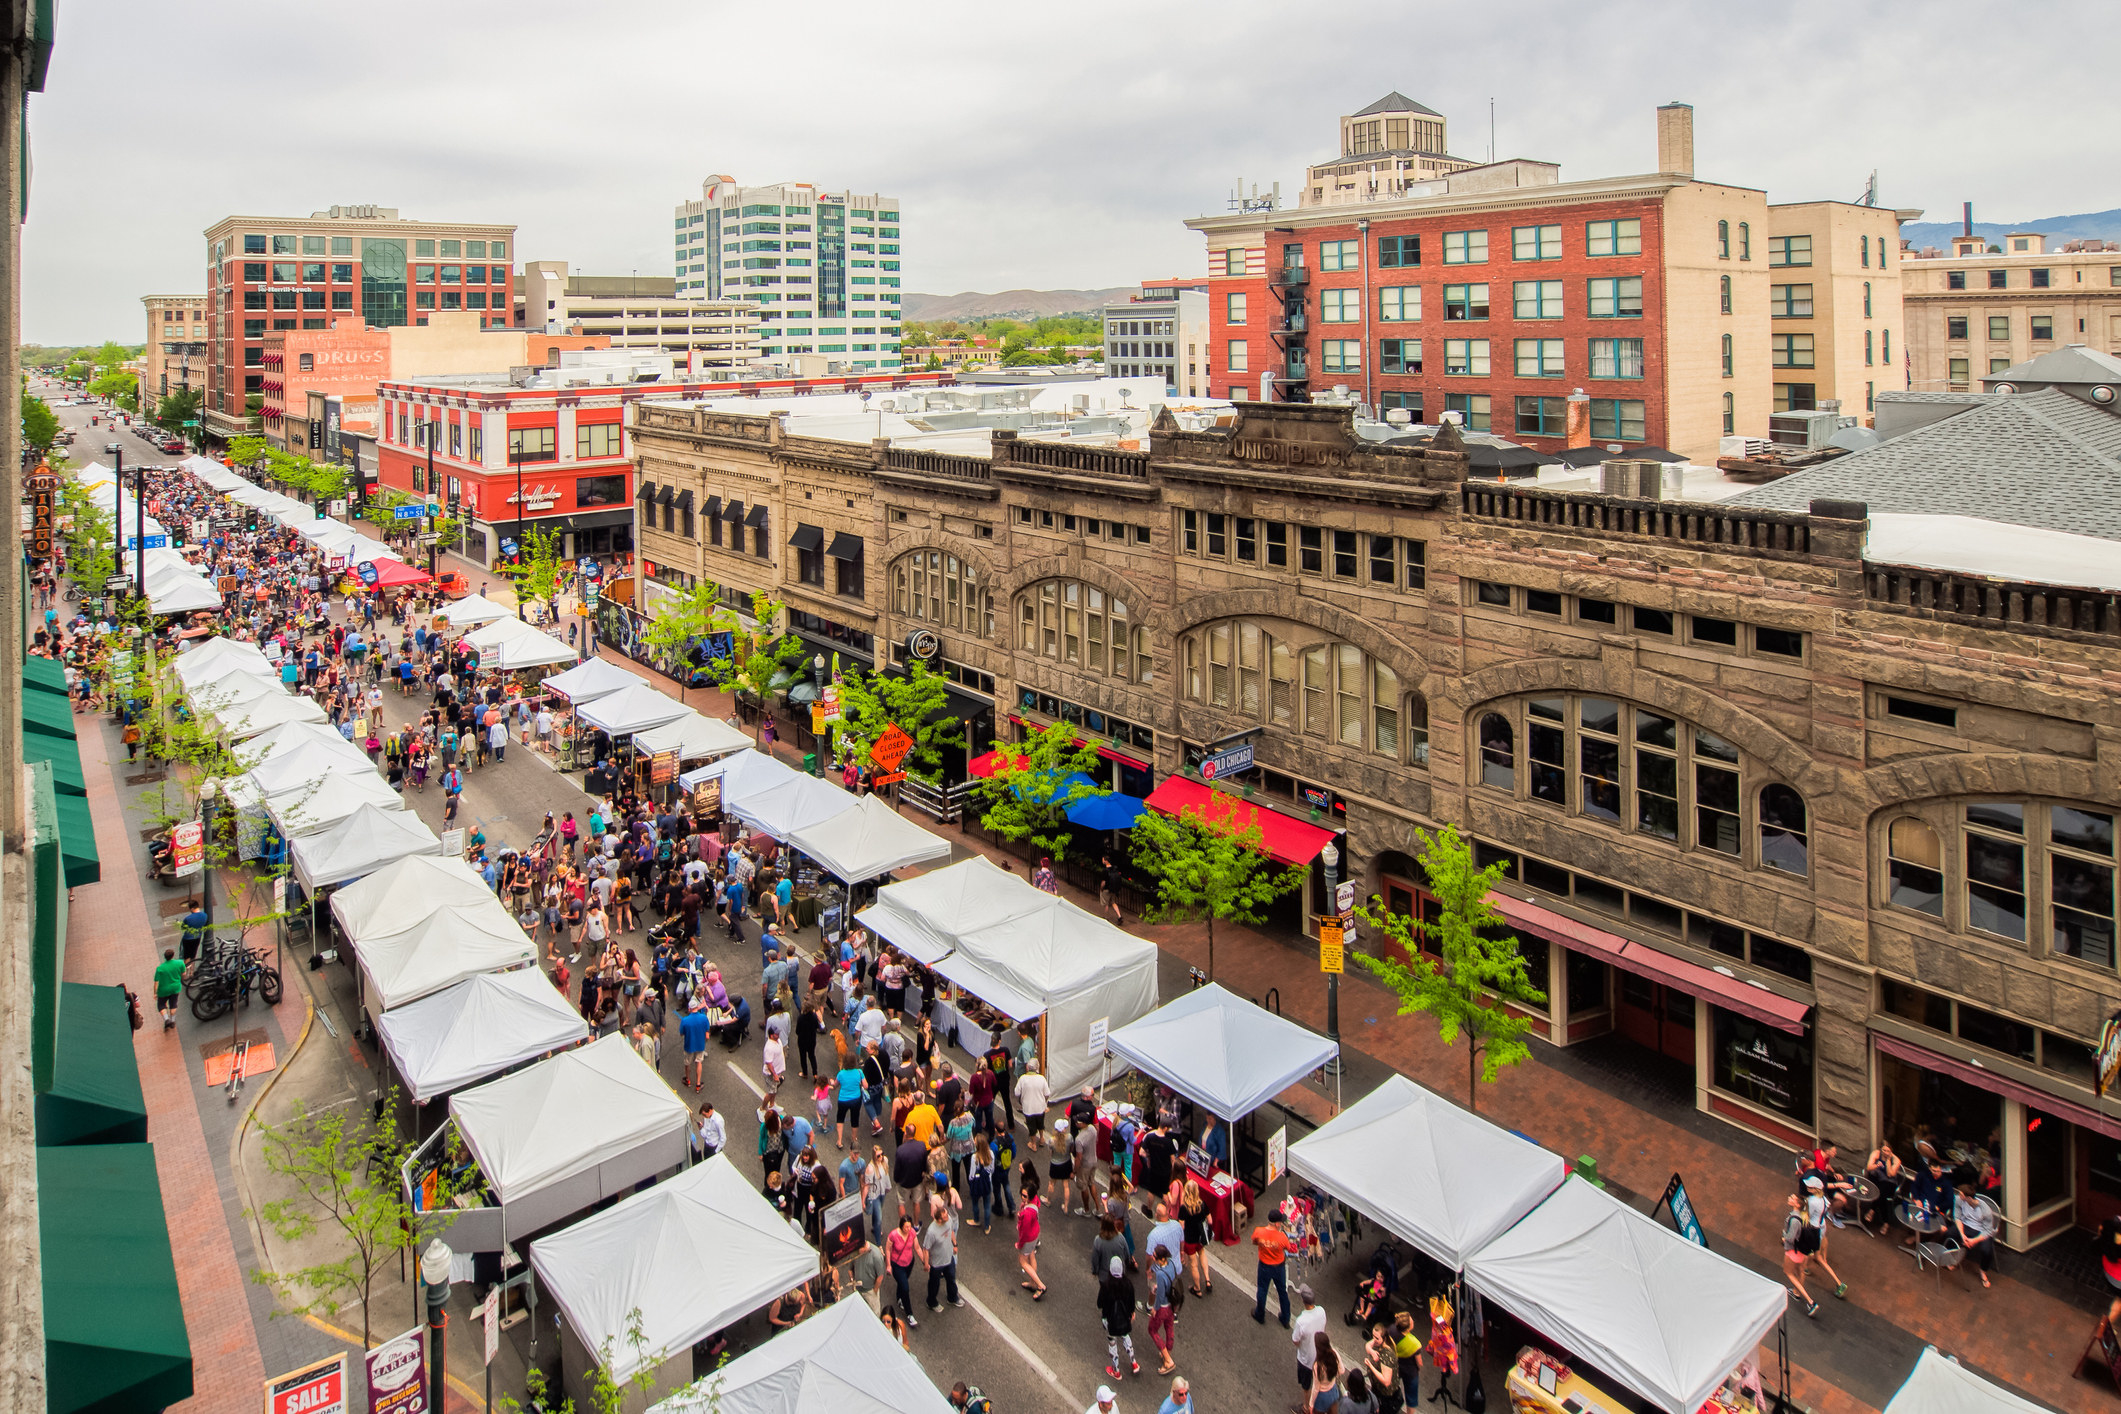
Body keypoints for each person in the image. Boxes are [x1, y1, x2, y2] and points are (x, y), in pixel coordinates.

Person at [1100, 1252, 1141, 1380]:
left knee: (1112, 1342)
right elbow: (1131, 1301)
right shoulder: (1128, 1284)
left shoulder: (1106, 1285)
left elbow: (1099, 1303)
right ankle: (1133, 1362)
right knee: (1125, 1336)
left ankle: (1116, 1370)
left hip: (1109, 1320)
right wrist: (1131, 1313)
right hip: (1124, 1319)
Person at [922, 1192, 965, 1312]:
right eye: (945, 1216)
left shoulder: (949, 1220)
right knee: (934, 1284)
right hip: (936, 1263)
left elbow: (951, 1232)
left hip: (948, 1257)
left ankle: (952, 1298)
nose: (948, 1217)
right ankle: (931, 1302)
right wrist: (926, 1263)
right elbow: (926, 1248)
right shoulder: (931, 1231)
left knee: (951, 1278)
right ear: (939, 1219)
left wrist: (955, 1244)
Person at [1951, 1185, 1998, 1290]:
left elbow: (1988, 1230)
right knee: (1950, 1233)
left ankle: (1983, 1272)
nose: (1959, 1195)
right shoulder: (1959, 1200)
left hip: (1982, 1230)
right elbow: (1957, 1217)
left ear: (1968, 1198)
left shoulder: (1985, 1210)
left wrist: (1974, 1241)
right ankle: (1954, 1258)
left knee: (1987, 1250)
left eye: (1961, 1194)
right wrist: (1962, 1234)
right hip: (1967, 1225)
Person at [1251, 1212, 1292, 1327]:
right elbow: (1288, 1247)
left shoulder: (1259, 1232)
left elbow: (1254, 1241)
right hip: (1279, 1267)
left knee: (1262, 1289)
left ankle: (1260, 1314)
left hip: (1264, 1265)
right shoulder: (1282, 1237)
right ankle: (1285, 1318)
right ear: (1278, 1224)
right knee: (1282, 1292)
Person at [1148, 1242, 1181, 1375]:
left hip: (1163, 1307)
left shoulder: (1160, 1274)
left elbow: (1160, 1295)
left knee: (1152, 1330)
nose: (1153, 1258)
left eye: (1155, 1257)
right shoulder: (1172, 1264)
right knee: (1169, 1327)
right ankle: (1168, 1351)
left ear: (1162, 1259)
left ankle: (1168, 1360)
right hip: (1172, 1304)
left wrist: (1155, 1308)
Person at [885, 1215, 922, 1329]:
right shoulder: (894, 1235)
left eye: (910, 1226)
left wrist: (925, 1261)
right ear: (901, 1226)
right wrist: (889, 1265)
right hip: (897, 1265)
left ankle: (899, 1297)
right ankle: (909, 1314)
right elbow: (887, 1249)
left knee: (903, 1283)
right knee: (905, 1287)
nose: (908, 1229)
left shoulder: (912, 1233)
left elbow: (917, 1247)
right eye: (906, 1227)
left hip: (909, 1262)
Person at [1017, 1171, 1047, 1299]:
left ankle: (1040, 1285)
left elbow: (1024, 1231)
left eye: (1024, 1195)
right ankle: (1032, 1283)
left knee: (1023, 1261)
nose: (1022, 1197)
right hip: (1035, 1234)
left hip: (1028, 1238)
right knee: (1032, 1256)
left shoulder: (1027, 1213)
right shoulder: (1034, 1202)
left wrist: (1020, 1244)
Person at [1180, 1178, 1212, 1296]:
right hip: (1200, 1238)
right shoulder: (1202, 1204)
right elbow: (1210, 1219)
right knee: (1202, 1254)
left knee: (1194, 1264)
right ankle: (1208, 1280)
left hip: (1189, 1240)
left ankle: (1197, 1289)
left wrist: (1181, 1248)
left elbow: (1181, 1227)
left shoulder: (1184, 1208)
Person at [849, 1233, 888, 1315]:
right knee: (858, 1311)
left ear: (864, 1247)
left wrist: (875, 1290)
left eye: (859, 1250)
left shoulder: (876, 1255)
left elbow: (880, 1276)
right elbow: (850, 1269)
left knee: (874, 1313)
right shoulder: (855, 1252)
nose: (858, 1252)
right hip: (858, 1288)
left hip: (870, 1290)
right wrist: (852, 1281)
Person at [152, 948, 185, 1030]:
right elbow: (183, 974)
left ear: (165, 957)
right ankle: (173, 1021)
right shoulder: (180, 963)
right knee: (173, 1004)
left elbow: (156, 982)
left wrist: (155, 993)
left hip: (163, 990)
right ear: (173, 955)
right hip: (175, 988)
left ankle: (166, 1019)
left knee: (161, 1005)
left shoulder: (160, 968)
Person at [177, 898, 211, 964]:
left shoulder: (188, 918)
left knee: (186, 955)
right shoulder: (205, 915)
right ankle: (191, 971)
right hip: (197, 938)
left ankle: (185, 970)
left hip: (187, 939)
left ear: (192, 909)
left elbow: (183, 927)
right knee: (193, 955)